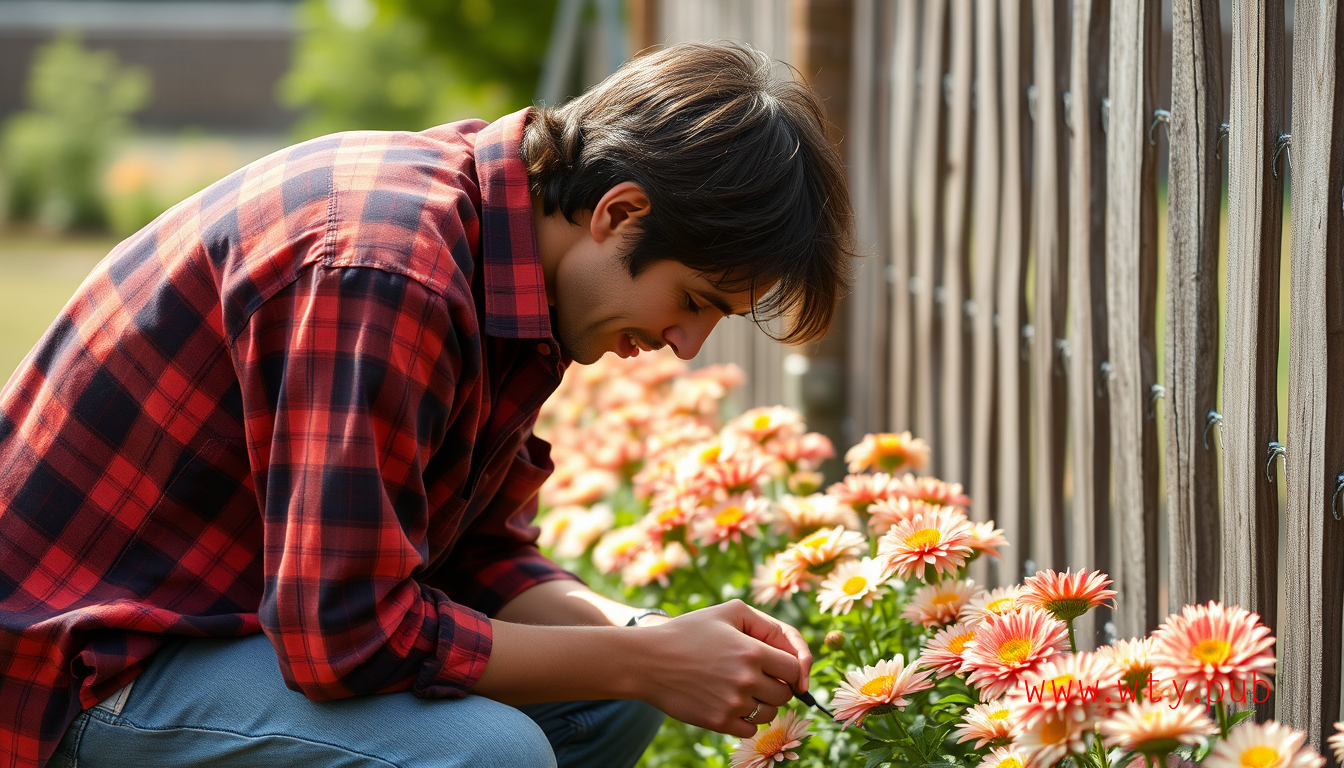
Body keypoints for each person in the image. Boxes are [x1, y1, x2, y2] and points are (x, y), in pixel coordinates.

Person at [0, 41, 854, 768]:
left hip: (225, 612)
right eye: (695, 300)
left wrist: (646, 634)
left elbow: (472, 553)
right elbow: (347, 635)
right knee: (488, 754)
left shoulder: (510, 258)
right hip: (89, 661)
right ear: (618, 213)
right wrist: (640, 657)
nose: (686, 344)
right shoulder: (387, 270)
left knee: (610, 703)